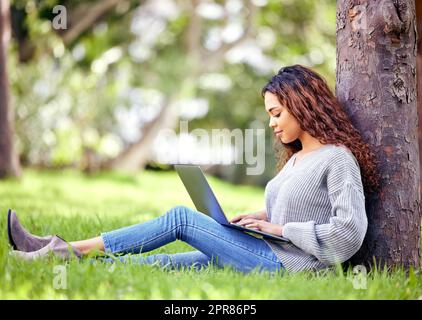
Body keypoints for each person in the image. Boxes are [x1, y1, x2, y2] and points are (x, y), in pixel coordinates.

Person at [7, 65, 380, 274]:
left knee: (181, 220)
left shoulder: (337, 159)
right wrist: (260, 217)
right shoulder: (298, 159)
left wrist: (277, 228)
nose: (272, 124)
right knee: (167, 263)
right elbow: (305, 208)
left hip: (289, 266)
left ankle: (62, 251)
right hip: (267, 251)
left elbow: (348, 235)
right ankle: (53, 251)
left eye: (276, 113)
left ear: (304, 105)